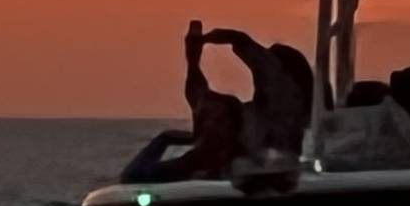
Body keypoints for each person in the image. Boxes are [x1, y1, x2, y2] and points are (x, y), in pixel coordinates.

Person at [121, 21, 311, 182]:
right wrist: (193, 60)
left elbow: (273, 76)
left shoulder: (283, 117)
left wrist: (238, 39)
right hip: (216, 173)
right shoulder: (239, 114)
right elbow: (198, 96)